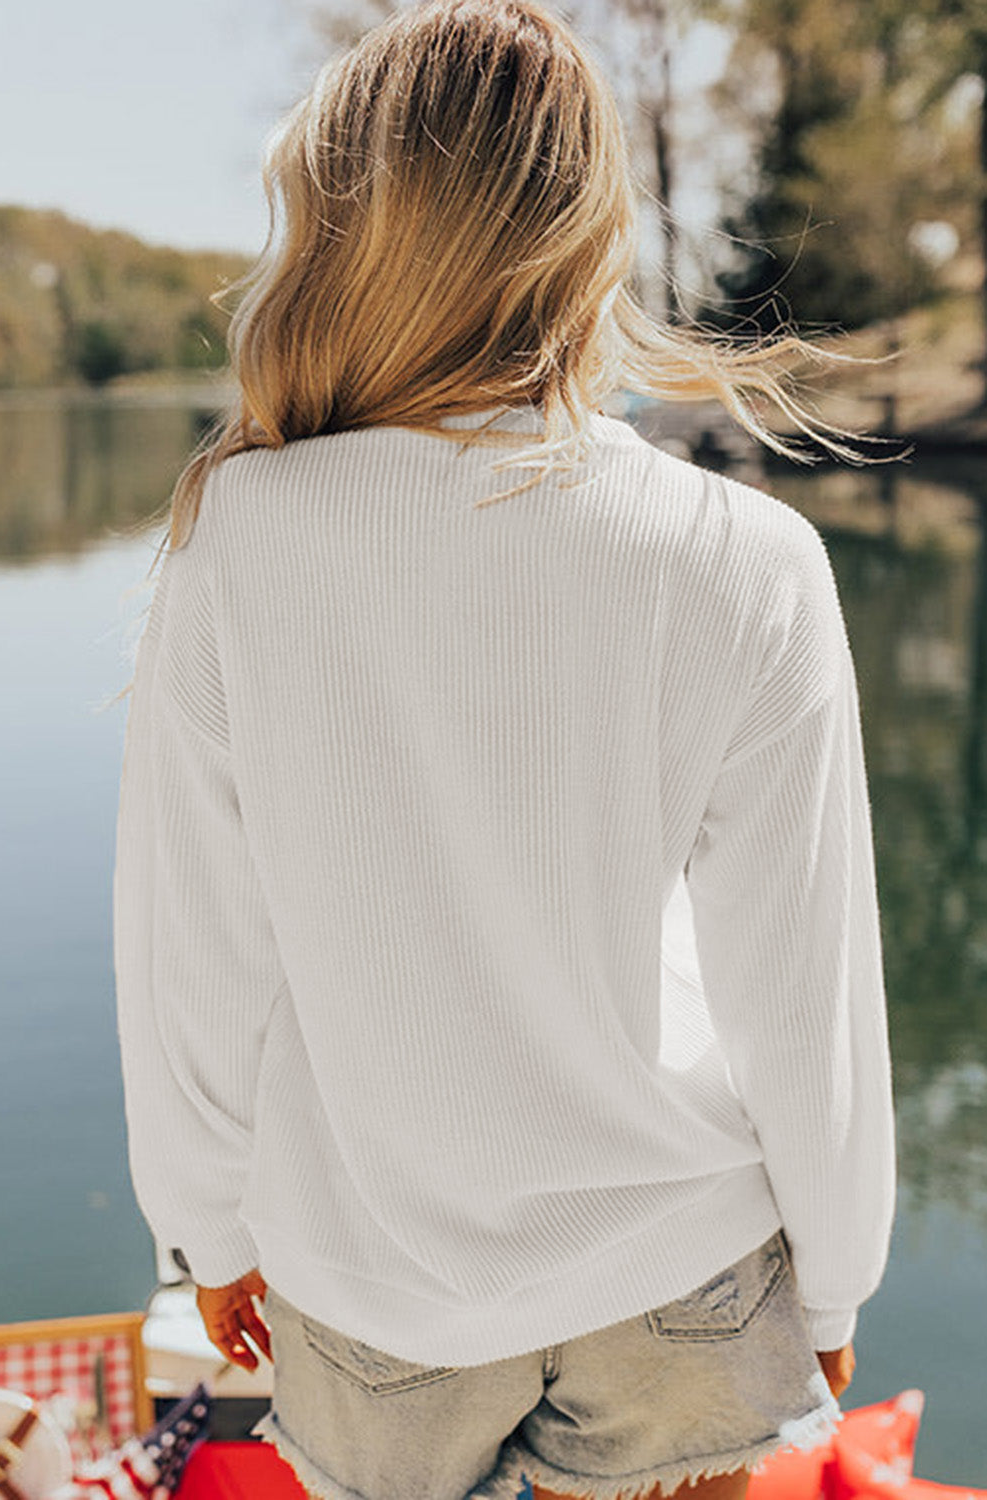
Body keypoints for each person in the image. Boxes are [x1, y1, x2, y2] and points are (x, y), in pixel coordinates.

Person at [112, 3, 896, 1498]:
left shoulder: (241, 539)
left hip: (377, 1284)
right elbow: (803, 991)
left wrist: (206, 1230)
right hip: (686, 1278)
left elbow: (194, 954)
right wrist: (837, 1277)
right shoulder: (747, 555)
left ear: (345, 230)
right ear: (594, 238)